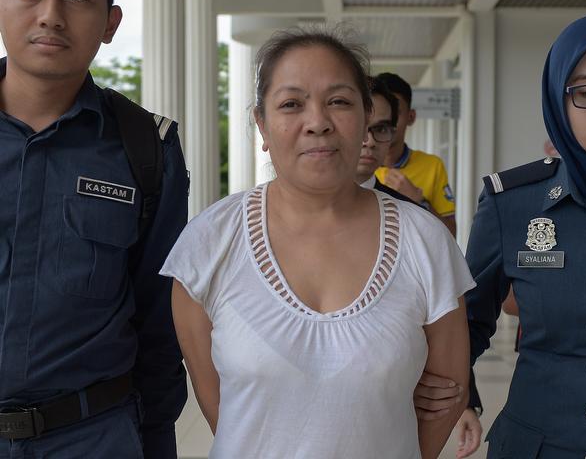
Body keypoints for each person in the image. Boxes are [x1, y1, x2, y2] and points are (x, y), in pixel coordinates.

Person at [163, 26, 476, 459]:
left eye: (339, 102)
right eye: (291, 104)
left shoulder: (425, 240)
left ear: (367, 118)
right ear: (262, 124)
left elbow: (447, 396)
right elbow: (222, 407)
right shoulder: (211, 242)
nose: (318, 123)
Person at [0, 0, 188, 458]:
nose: (50, 15)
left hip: (91, 439)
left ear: (110, 22)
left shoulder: (145, 149)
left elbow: (160, 324)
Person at [465, 13, 586, 458]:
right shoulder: (512, 203)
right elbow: (465, 321)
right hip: (535, 447)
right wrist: (461, 396)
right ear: (558, 100)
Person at [357, 76, 484, 458]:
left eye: (380, 128)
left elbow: (445, 316)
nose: (367, 140)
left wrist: (462, 396)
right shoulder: (243, 227)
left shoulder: (415, 219)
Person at [374, 72, 457, 235]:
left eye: (395, 111)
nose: (387, 120)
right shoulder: (355, 166)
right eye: (380, 112)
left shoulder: (433, 165)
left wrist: (419, 201)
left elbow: (451, 234)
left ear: (411, 117)